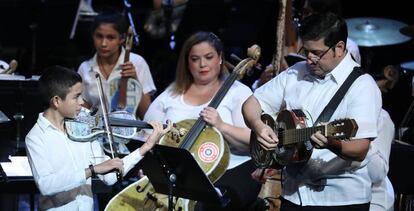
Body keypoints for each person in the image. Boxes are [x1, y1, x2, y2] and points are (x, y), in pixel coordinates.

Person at [242, 12, 382, 210]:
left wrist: (333, 144)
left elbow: (360, 149)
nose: (309, 59)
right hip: (293, 193)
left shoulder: (362, 86)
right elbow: (252, 103)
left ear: (339, 48)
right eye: (305, 51)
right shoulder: (296, 72)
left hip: (340, 199)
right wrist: (258, 126)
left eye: (317, 53)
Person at [143, 31, 263, 210]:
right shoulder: (171, 94)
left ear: (220, 58)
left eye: (209, 57)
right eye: (195, 59)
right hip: (182, 173)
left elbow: (254, 139)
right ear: (187, 62)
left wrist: (221, 126)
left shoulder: (238, 92)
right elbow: (146, 132)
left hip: (231, 170)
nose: (202, 64)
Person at [25, 65, 170, 210]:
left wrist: (145, 147)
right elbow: (46, 185)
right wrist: (92, 170)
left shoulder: (84, 129)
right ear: (56, 101)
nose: (82, 102)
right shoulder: (36, 137)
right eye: (76, 97)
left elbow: (110, 177)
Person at [77, 9, 156, 120]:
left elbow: (147, 115)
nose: (103, 44)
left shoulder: (138, 62)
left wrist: (135, 79)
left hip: (132, 133)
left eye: (110, 37)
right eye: (99, 36)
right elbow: (82, 113)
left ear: (122, 39)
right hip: (98, 132)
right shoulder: (84, 68)